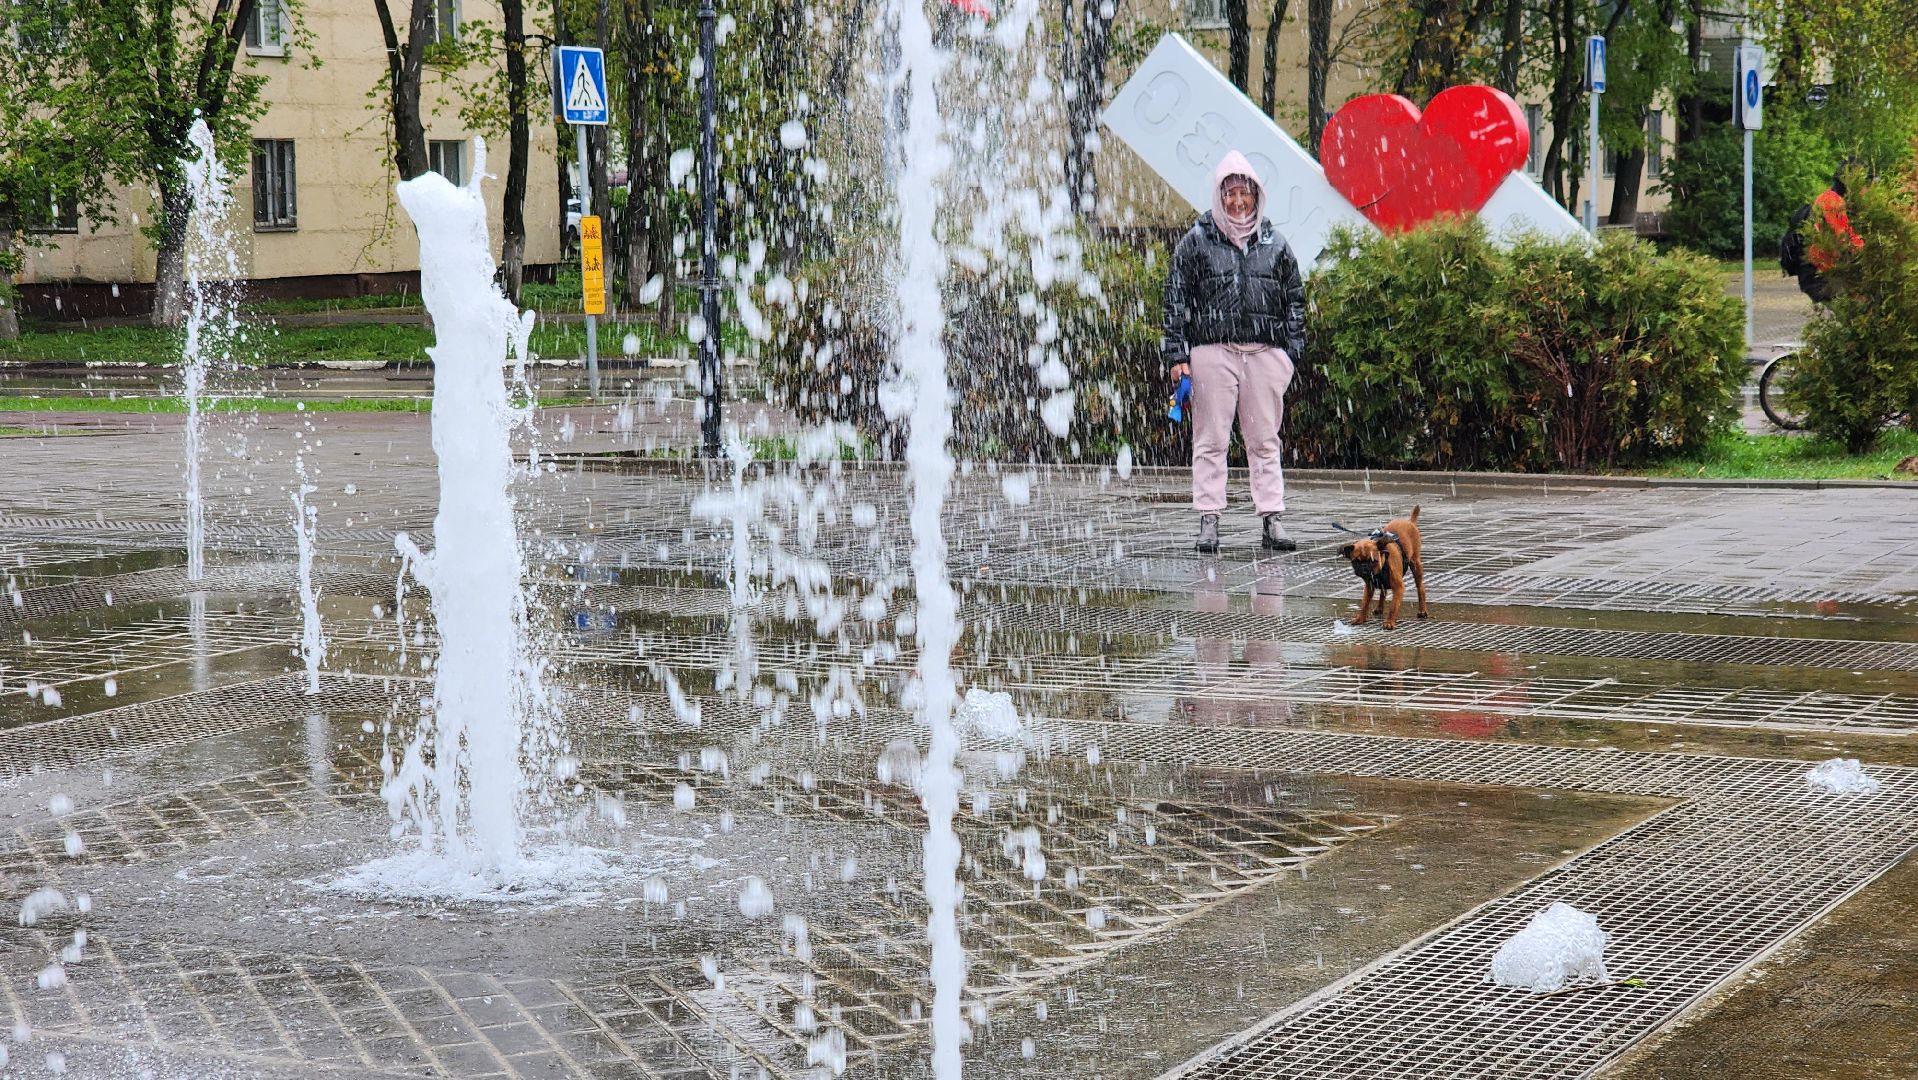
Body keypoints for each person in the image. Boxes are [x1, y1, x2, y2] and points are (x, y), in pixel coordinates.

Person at [1161, 151, 1307, 554]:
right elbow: (1175, 299)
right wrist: (1177, 356)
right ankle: (1209, 519)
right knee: (1210, 439)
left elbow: (1295, 301)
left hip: (1264, 353)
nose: (1238, 201)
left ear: (1256, 195)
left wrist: (1289, 356)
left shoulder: (1275, 244)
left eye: (1245, 193)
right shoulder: (1196, 241)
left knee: (1264, 440)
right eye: (1230, 194)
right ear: (1218, 196)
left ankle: (1272, 518)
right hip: (1212, 351)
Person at [1780, 169, 1864, 303]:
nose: (1867, 189)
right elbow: (1846, 240)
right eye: (1866, 183)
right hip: (1819, 276)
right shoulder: (1831, 202)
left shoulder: (1836, 199)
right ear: (1851, 181)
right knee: (1860, 304)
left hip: (1822, 273)